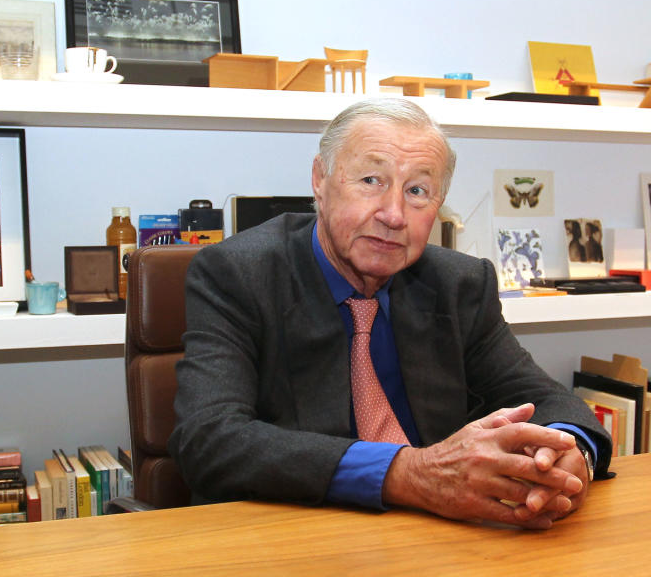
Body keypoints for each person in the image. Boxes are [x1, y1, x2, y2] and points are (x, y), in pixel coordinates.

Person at [169, 98, 611, 530]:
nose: (394, 214)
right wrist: (408, 472)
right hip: (292, 535)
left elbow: (542, 397)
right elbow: (209, 439)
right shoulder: (238, 273)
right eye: (370, 180)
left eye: (417, 190)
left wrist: (568, 456)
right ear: (320, 180)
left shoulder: (459, 283)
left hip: (432, 538)